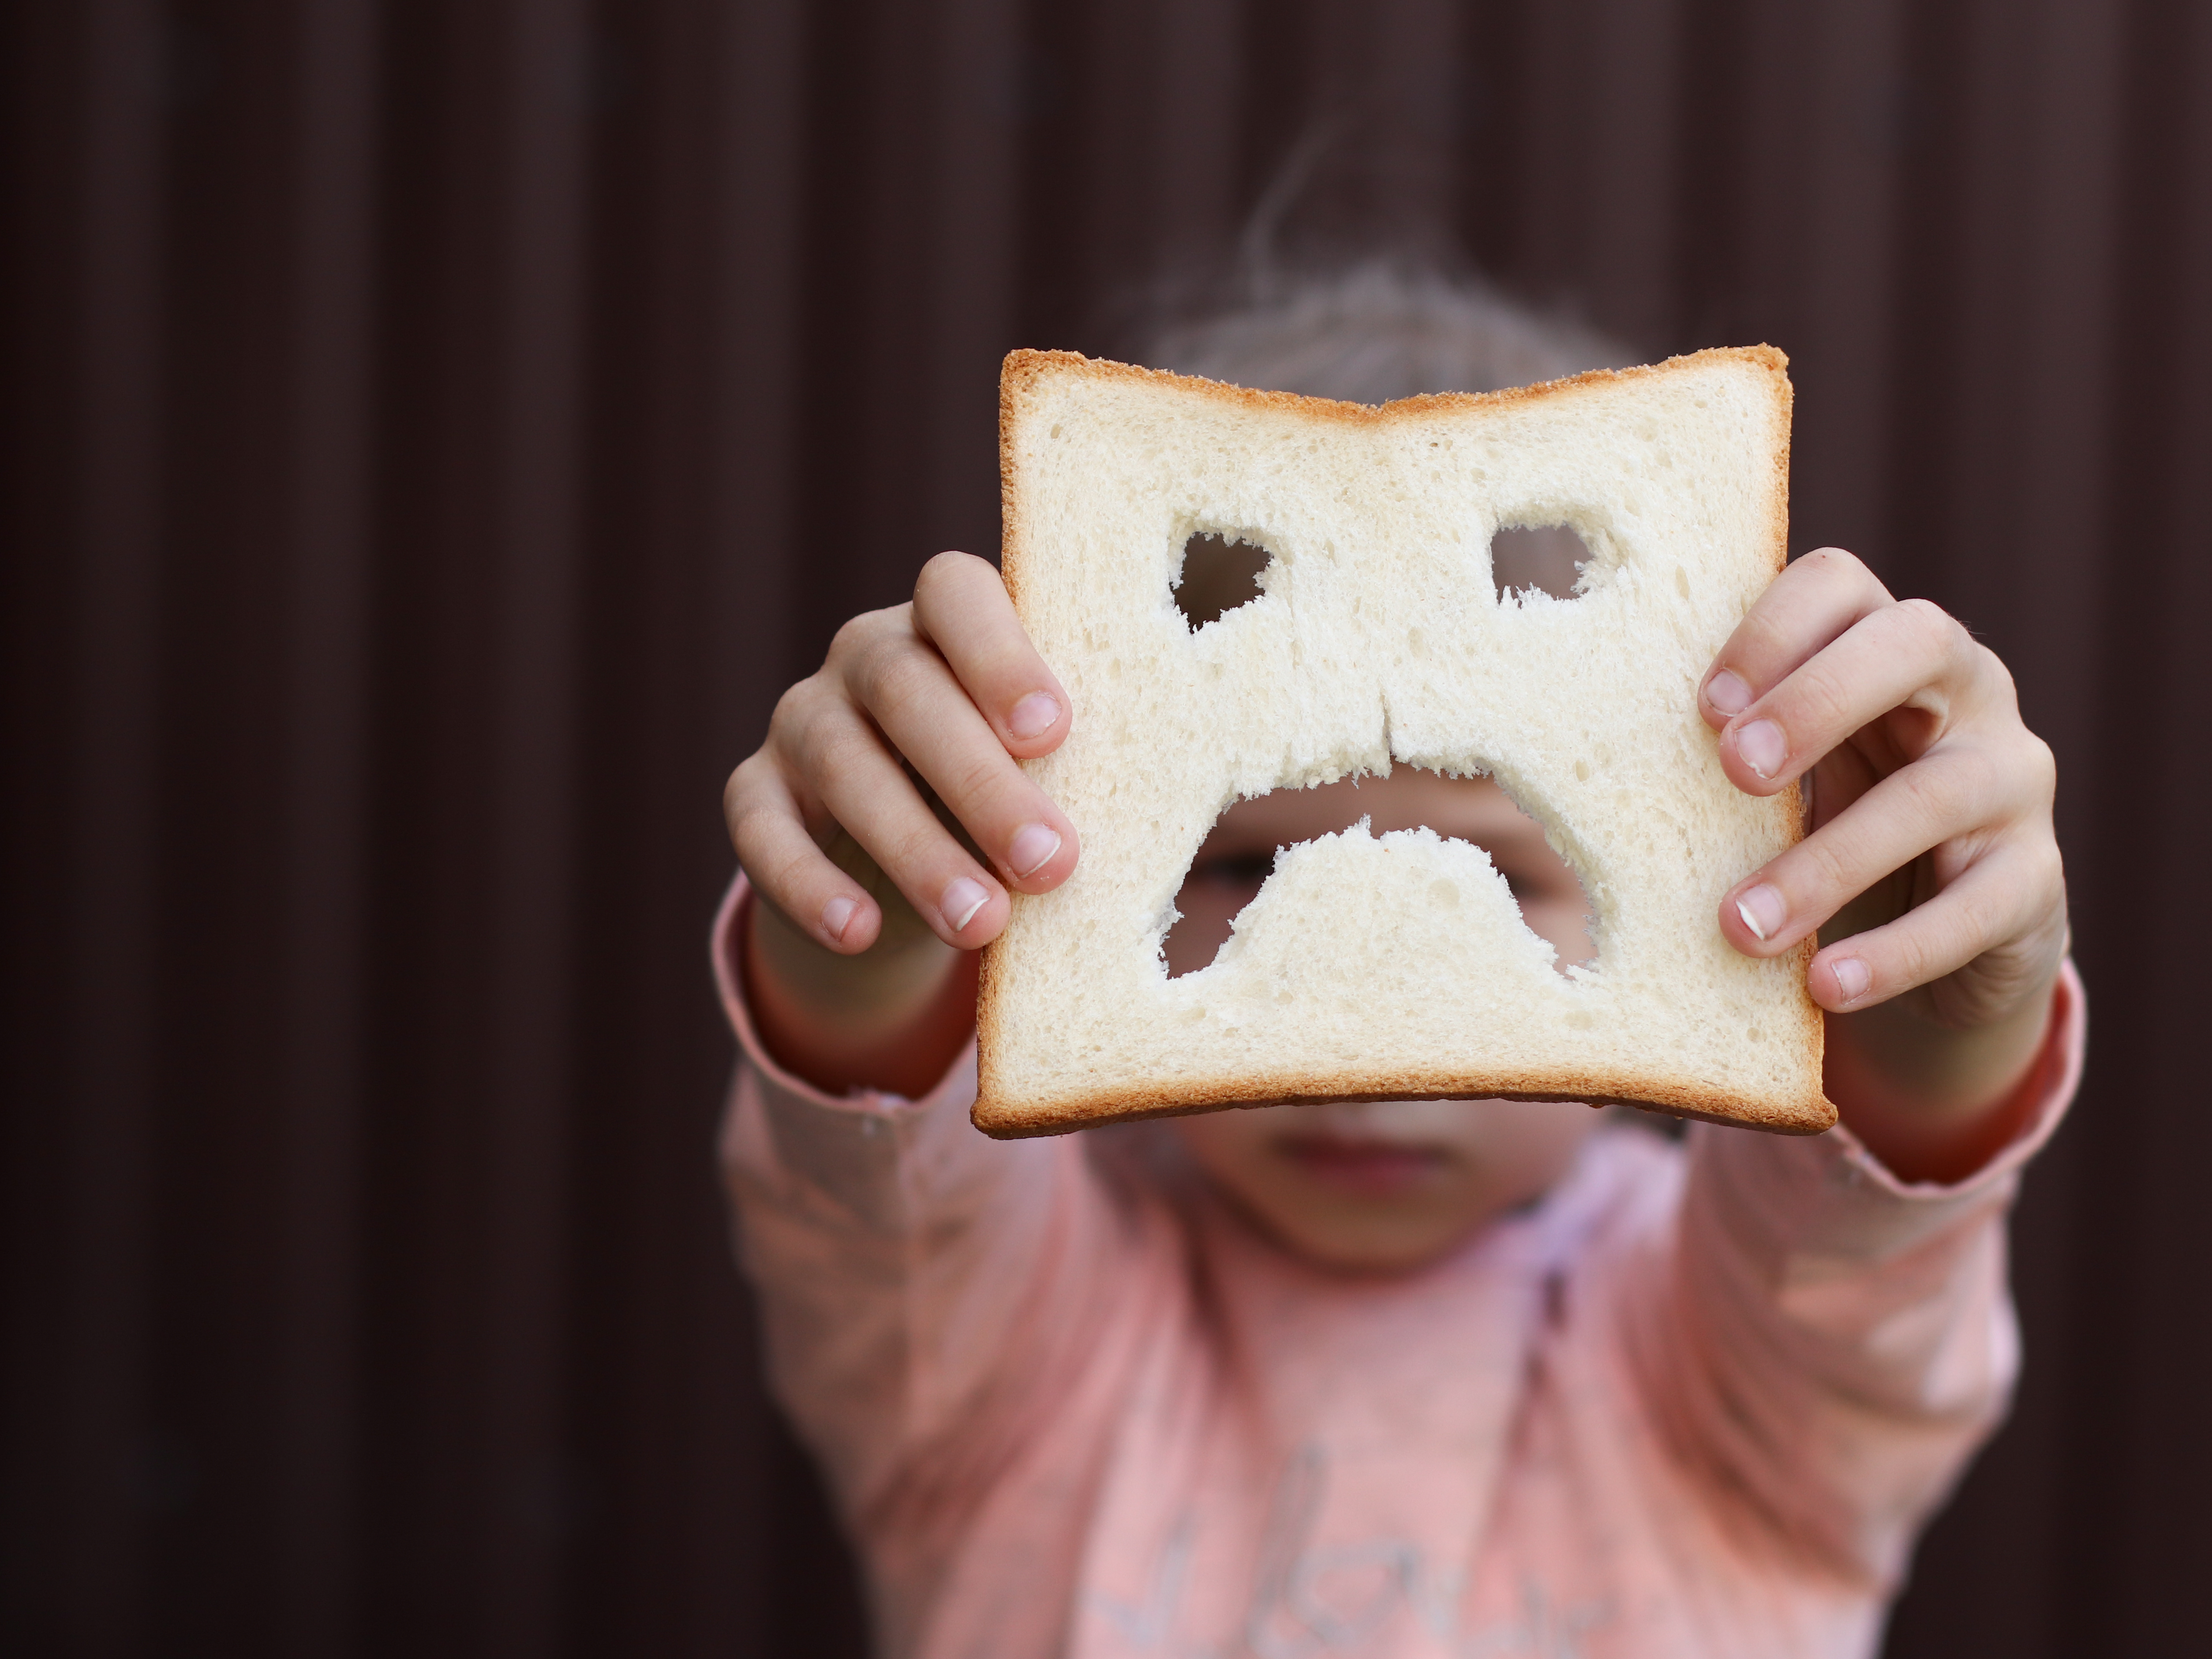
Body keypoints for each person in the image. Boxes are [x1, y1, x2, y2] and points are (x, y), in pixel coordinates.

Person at [718, 266, 2078, 1658]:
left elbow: (1858, 1265)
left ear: (1702, 861)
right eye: (1241, 862)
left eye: (1514, 862)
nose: (1361, 999)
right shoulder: (1004, 1344)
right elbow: (881, 1203)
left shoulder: (1739, 1368)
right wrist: (874, 924)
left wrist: (1923, 1002)